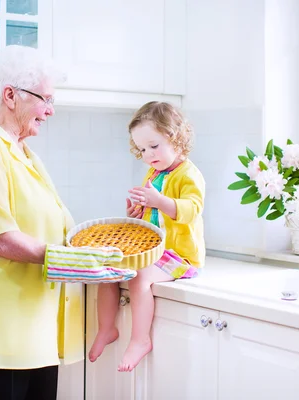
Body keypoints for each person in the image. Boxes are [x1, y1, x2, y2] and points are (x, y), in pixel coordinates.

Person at [0, 45, 125, 399]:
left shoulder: (21, 152)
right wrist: (73, 260)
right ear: (10, 95)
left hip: (32, 334)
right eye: (45, 98)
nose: (50, 110)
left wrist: (92, 251)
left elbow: (47, 227)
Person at [88, 101, 206, 372]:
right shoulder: (153, 172)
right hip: (154, 251)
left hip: (179, 255)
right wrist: (137, 211)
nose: (147, 154)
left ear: (175, 137)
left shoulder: (189, 174)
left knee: (139, 275)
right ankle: (106, 329)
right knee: (109, 268)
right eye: (142, 149)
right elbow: (150, 216)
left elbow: (191, 210)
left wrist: (159, 200)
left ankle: (140, 340)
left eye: (154, 146)